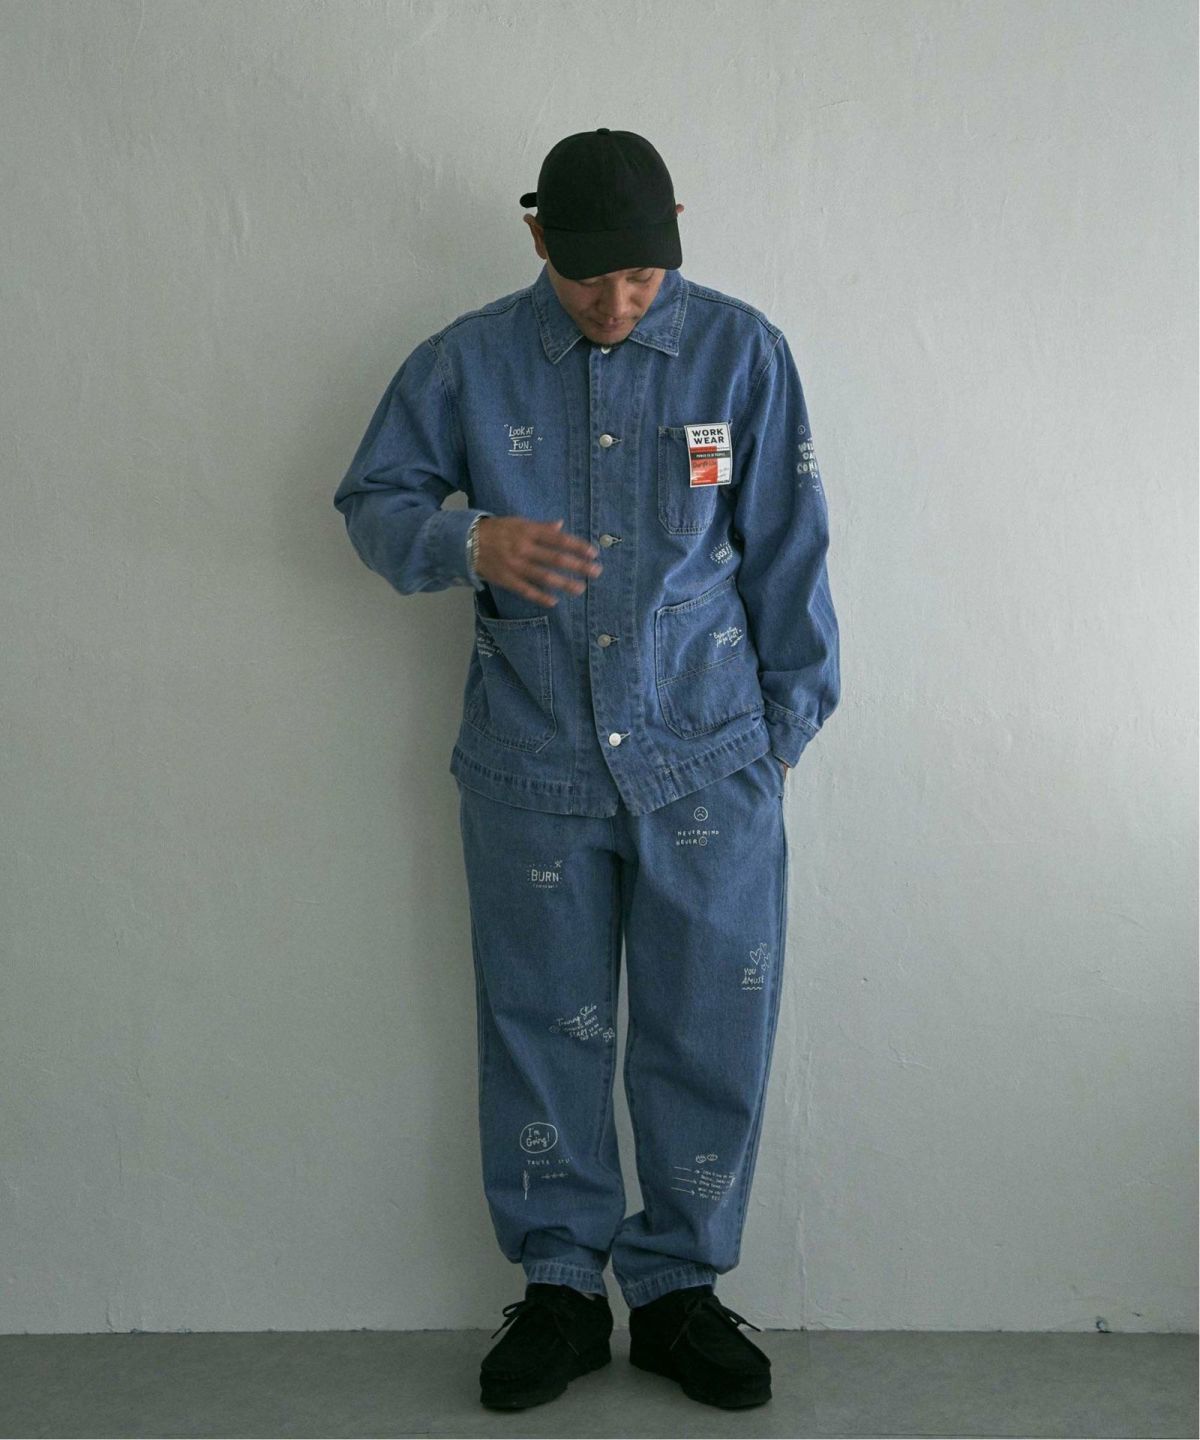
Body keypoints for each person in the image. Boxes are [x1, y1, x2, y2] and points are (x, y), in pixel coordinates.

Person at [333, 128, 840, 1413]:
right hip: (530, 766)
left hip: (710, 762)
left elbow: (789, 543)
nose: (618, 301)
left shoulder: (742, 353)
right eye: (590, 275)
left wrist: (782, 732)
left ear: (675, 235)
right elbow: (373, 502)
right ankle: (559, 1289)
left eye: (643, 274)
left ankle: (678, 1295)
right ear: (537, 239)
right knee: (537, 1029)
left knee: (708, 1029)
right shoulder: (465, 362)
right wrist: (471, 542)